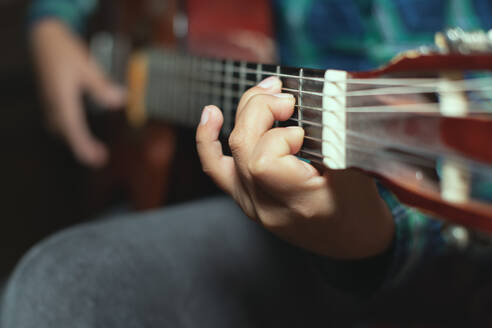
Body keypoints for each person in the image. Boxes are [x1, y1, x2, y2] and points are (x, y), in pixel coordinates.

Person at [2, 0, 492, 327]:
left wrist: (374, 233)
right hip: (231, 177)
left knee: (59, 286)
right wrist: (52, 21)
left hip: (414, 230)